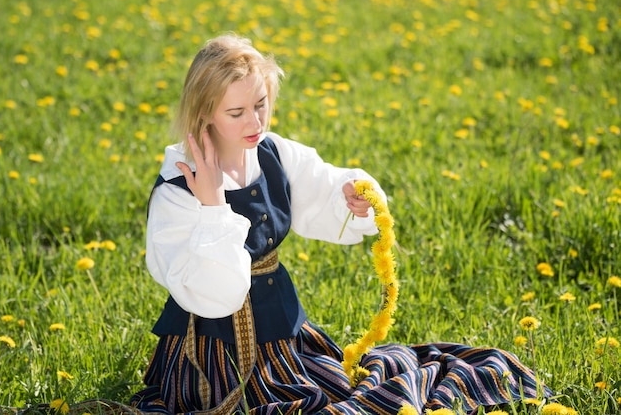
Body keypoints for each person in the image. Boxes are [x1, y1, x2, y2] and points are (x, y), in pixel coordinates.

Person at [130, 33, 551, 415]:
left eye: (260, 105)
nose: (255, 123)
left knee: (336, 389)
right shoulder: (178, 190)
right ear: (204, 113)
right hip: (210, 354)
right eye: (237, 112)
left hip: (283, 338)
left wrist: (350, 197)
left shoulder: (271, 152)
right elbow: (212, 294)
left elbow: (322, 184)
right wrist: (212, 205)